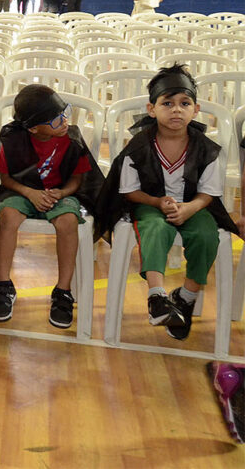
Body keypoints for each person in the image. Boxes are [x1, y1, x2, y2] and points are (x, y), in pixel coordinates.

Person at [95, 65, 235, 341]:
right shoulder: (138, 146)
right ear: (151, 109)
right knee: (155, 229)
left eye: (185, 103)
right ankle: (157, 297)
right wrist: (158, 202)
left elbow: (208, 194)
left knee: (207, 236)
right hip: (150, 202)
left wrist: (189, 208)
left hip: (195, 205)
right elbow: (129, 191)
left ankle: (185, 298)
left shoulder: (206, 149)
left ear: (196, 110)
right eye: (167, 103)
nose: (176, 110)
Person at [0, 84, 104, 329]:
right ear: (33, 127)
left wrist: (61, 192)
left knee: (68, 221)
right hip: (22, 190)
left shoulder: (71, 137)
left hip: (60, 193)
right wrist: (30, 192)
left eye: (64, 113)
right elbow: (6, 178)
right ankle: (4, 285)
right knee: (8, 216)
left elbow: (77, 178)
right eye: (55, 119)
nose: (64, 121)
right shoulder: (13, 140)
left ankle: (62, 291)